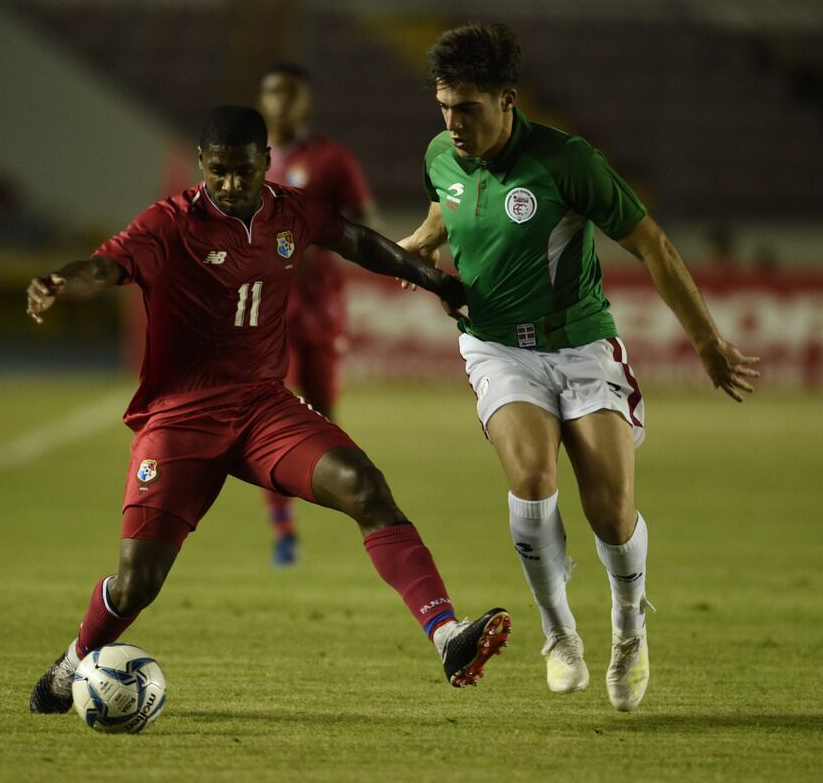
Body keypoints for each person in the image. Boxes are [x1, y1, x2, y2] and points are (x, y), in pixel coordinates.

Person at [26, 105, 510, 713]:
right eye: (219, 172)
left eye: (243, 171)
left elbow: (356, 240)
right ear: (202, 166)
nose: (231, 184)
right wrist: (59, 281)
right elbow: (107, 265)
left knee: (365, 487)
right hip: (180, 420)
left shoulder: (291, 211)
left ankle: (447, 636)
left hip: (262, 409)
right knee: (137, 582)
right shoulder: (168, 224)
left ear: (265, 163)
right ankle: (74, 662)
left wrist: (438, 282)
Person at [399, 24, 759, 712]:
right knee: (532, 482)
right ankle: (560, 633)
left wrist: (708, 343)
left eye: (467, 107)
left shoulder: (567, 162)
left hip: (582, 346)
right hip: (497, 348)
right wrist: (416, 245)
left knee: (611, 511)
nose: (452, 123)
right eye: (443, 106)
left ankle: (629, 627)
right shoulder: (441, 155)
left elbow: (651, 243)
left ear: (507, 100)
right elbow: (445, 207)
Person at [257, 62, 379, 566]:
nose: (282, 103)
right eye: (273, 93)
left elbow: (366, 225)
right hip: (267, 314)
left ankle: (345, 506)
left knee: (325, 417)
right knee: (266, 416)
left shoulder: (331, 159)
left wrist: (320, 240)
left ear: (305, 102)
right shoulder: (246, 162)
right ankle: (284, 530)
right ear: (262, 101)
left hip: (321, 308)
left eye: (291, 94)